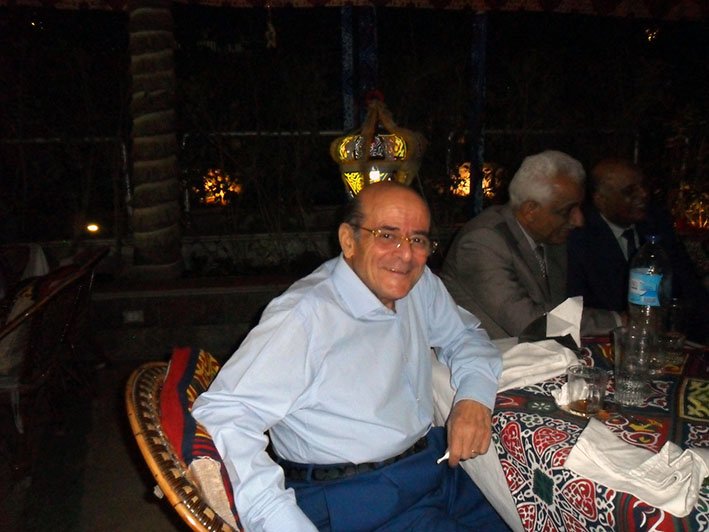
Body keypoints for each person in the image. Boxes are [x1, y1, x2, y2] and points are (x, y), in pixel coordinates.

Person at [192, 181, 507, 531]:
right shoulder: (304, 317)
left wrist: (473, 398)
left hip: (433, 465)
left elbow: (465, 336)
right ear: (348, 240)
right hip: (357, 497)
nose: (406, 254)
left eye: (418, 239)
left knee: (528, 510)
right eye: (387, 235)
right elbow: (224, 416)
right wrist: (283, 522)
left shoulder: (419, 285)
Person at [440, 150, 619, 340]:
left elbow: (559, 310)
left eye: (579, 208)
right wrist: (617, 320)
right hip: (489, 355)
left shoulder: (551, 239)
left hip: (536, 353)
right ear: (530, 210)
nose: (578, 220)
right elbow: (529, 324)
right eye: (567, 211)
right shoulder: (482, 242)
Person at [567, 157, 708, 342]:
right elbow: (575, 307)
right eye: (630, 191)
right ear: (600, 200)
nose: (643, 194)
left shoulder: (657, 221)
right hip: (609, 339)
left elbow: (688, 285)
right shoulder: (578, 236)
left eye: (643, 186)